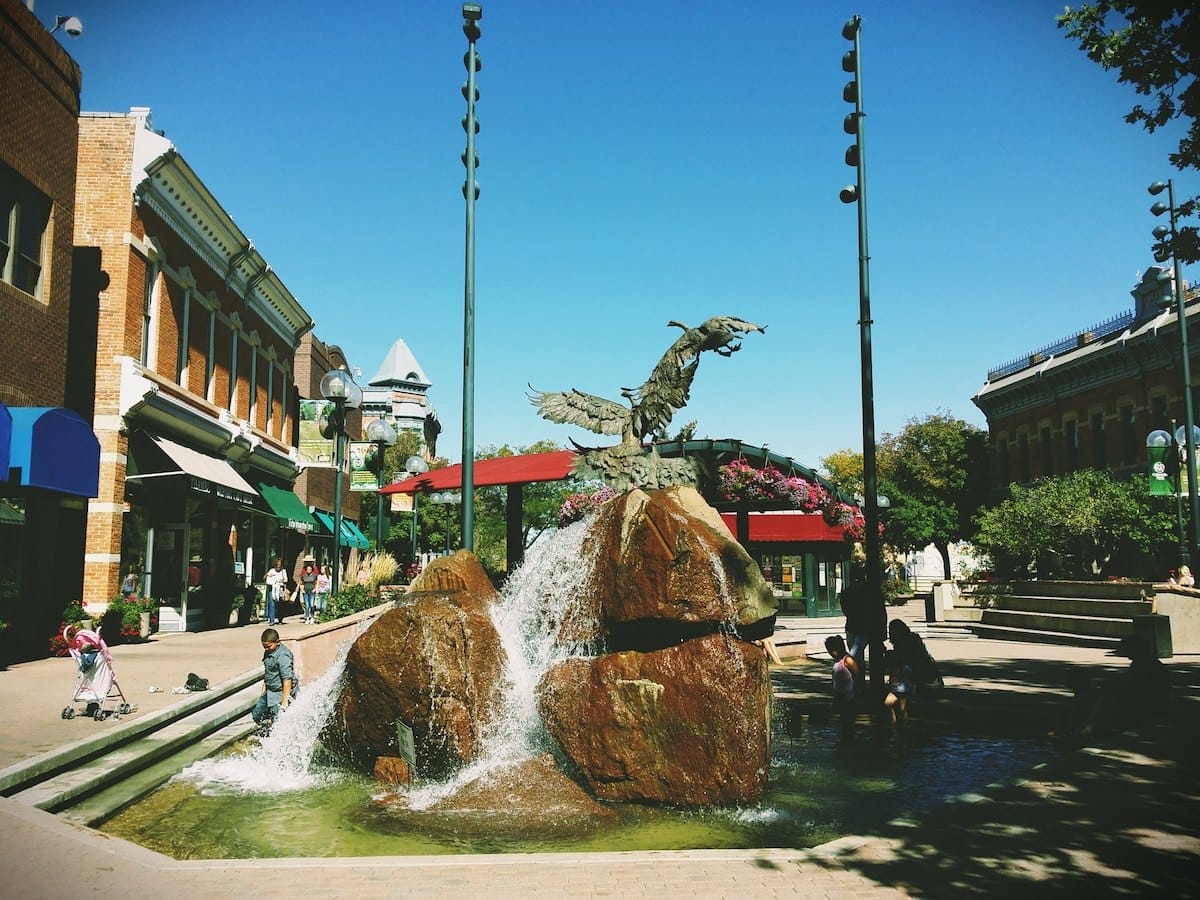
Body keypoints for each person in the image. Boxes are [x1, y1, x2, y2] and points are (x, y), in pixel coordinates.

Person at [840, 574, 886, 698]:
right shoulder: (855, 593)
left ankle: (857, 684)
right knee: (857, 658)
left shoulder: (856, 593)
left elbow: (880, 612)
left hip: (861, 628)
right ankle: (858, 685)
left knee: (854, 657)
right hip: (858, 628)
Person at [252, 627, 297, 735]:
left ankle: (274, 736)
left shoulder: (283, 656)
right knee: (257, 714)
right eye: (264, 647)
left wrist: (285, 701)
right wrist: (264, 690)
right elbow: (268, 672)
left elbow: (287, 679)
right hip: (270, 691)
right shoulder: (268, 652)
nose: (266, 649)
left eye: (268, 646)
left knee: (278, 721)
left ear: (277, 642)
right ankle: (268, 729)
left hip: (280, 692)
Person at [888, 618, 944, 693]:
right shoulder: (914, 638)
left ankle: (901, 686)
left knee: (894, 660)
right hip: (931, 678)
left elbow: (906, 662)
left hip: (920, 678)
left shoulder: (902, 645)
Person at [825, 634, 859, 744]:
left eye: (831, 650)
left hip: (849, 696)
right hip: (839, 696)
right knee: (843, 722)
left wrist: (858, 692)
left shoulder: (847, 660)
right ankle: (846, 741)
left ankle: (850, 742)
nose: (830, 653)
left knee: (848, 722)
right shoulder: (837, 661)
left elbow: (857, 674)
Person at [883, 649, 914, 728]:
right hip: (896, 690)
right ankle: (895, 721)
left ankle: (904, 724)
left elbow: (911, 677)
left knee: (902, 709)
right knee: (888, 704)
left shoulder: (904, 667)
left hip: (904, 690)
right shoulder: (893, 667)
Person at [264, 556, 288, 626]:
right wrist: (268, 575)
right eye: (277, 565)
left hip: (280, 589)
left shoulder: (283, 571)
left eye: (279, 565)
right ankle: (272, 620)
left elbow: (286, 580)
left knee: (280, 604)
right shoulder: (272, 570)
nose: (278, 567)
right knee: (272, 604)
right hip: (272, 588)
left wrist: (282, 580)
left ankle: (280, 619)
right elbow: (265, 577)